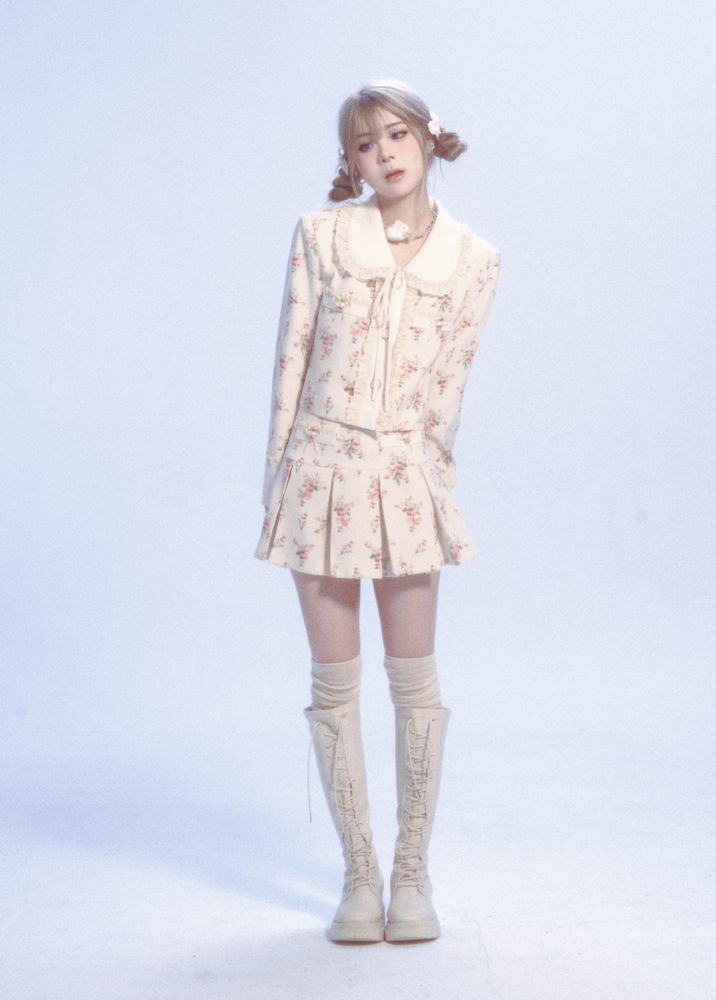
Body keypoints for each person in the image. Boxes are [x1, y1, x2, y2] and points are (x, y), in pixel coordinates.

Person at [254, 79, 501, 943]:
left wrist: (431, 481)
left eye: (396, 134)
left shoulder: (474, 259)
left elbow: (450, 387)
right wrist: (279, 482)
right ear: (350, 161)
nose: (384, 154)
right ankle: (359, 877)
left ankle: (412, 876)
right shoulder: (320, 237)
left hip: (405, 477)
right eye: (365, 144)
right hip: (318, 472)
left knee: (414, 678)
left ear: (428, 137)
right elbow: (289, 360)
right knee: (333, 681)